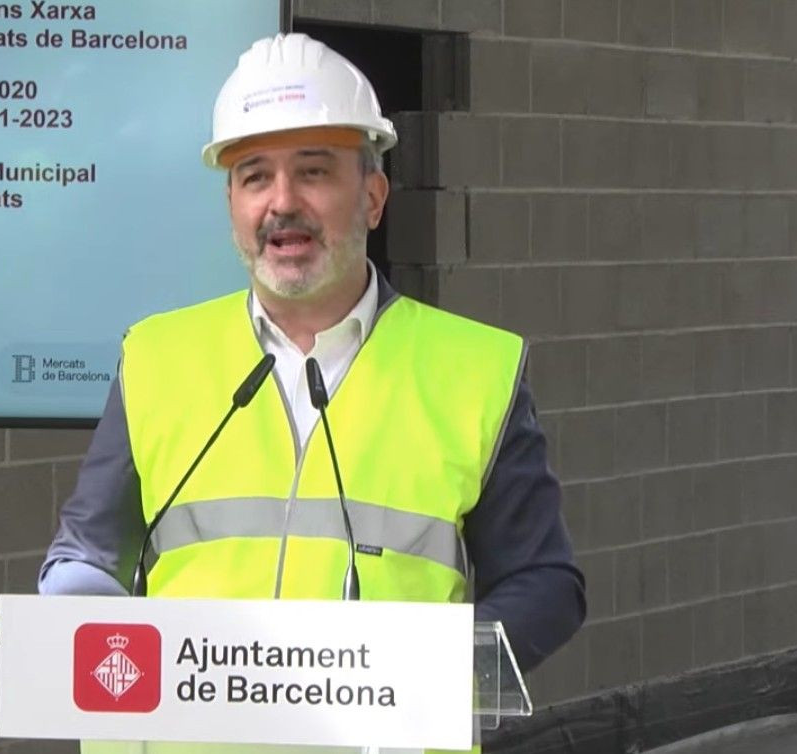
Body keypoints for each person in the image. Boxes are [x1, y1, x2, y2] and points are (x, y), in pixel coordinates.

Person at [39, 33, 585, 674]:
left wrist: (424, 676)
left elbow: (545, 585)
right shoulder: (157, 357)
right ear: (232, 206)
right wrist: (81, 614)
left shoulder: (474, 370)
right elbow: (87, 551)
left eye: (313, 171)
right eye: (255, 177)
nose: (282, 202)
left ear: (374, 198)